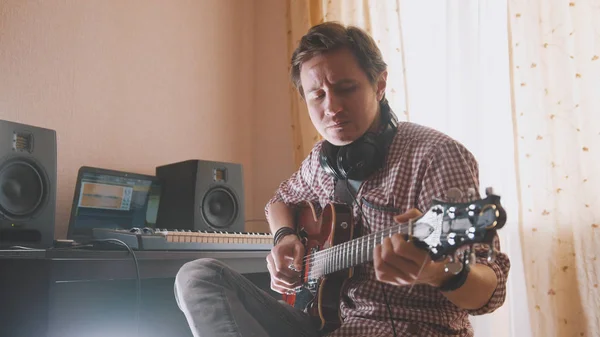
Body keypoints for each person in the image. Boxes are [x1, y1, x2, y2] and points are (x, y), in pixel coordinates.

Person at [174, 22, 510, 337]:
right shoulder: (321, 159)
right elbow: (279, 200)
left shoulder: (436, 155)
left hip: (409, 328)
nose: (331, 107)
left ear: (379, 84)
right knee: (199, 276)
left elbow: (490, 291)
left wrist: (437, 272)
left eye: (345, 88)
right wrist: (284, 236)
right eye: (317, 95)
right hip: (320, 322)